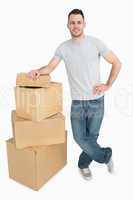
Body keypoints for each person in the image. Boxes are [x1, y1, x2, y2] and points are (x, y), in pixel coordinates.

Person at [28, 9, 122, 180]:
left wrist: (107, 85)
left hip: (96, 101)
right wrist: (38, 71)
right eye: (72, 22)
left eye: (79, 22)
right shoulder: (63, 48)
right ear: (68, 25)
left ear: (84, 24)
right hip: (77, 102)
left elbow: (116, 62)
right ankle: (105, 155)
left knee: (91, 137)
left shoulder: (96, 43)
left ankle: (83, 164)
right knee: (80, 138)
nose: (76, 25)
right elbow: (49, 67)